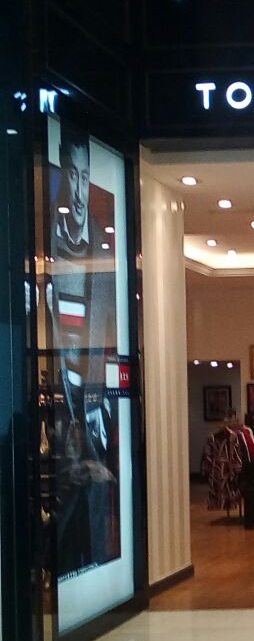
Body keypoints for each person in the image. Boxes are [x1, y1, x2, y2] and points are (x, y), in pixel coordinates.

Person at [47, 125, 119, 574]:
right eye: (71, 174)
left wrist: (99, 401)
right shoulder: (47, 243)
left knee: (91, 486)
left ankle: (91, 567)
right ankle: (59, 564)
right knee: (71, 486)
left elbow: (109, 336)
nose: (78, 190)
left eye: (85, 176)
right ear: (61, 172)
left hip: (90, 401)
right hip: (61, 397)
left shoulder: (103, 251)